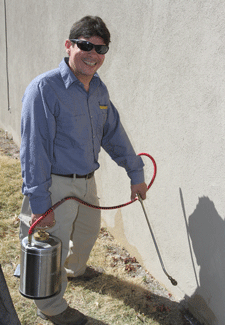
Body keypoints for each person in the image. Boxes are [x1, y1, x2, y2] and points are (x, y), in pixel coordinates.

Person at [19, 16, 148, 325]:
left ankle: (74, 271)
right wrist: (40, 203)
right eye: (86, 45)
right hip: (55, 186)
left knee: (88, 234)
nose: (93, 54)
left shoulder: (99, 91)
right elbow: (33, 149)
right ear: (69, 45)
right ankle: (50, 307)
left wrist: (136, 174)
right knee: (51, 246)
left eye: (101, 49)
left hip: (87, 183)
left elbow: (114, 134)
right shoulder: (45, 89)